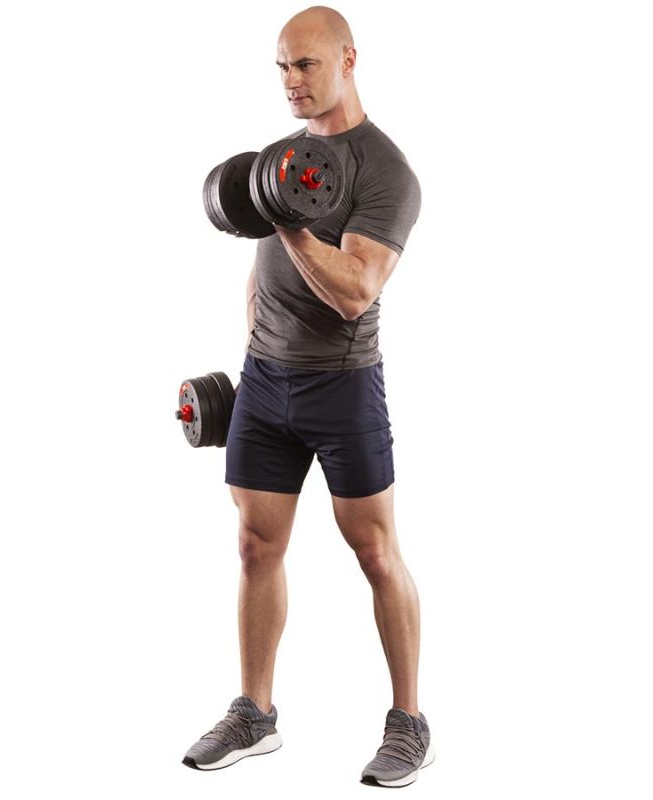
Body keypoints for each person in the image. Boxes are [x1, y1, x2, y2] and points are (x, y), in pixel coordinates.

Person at [183, 5, 434, 788]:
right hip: (265, 382)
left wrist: (290, 222)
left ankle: (409, 723)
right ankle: (255, 713)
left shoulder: (385, 172)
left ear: (349, 60)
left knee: (375, 550)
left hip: (343, 385)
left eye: (306, 64)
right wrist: (250, 364)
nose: (291, 81)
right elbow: (259, 276)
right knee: (255, 545)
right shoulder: (282, 160)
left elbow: (357, 291)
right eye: (282, 67)